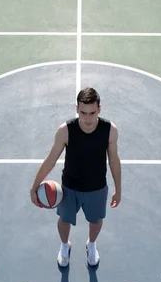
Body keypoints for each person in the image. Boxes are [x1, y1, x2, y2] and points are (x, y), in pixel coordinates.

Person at [30, 87, 121, 267]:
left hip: (97, 187)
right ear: (76, 109)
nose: (88, 119)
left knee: (96, 221)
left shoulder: (109, 130)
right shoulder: (65, 131)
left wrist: (118, 190)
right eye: (83, 112)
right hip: (69, 187)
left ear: (99, 109)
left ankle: (91, 244)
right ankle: (65, 246)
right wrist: (34, 187)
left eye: (92, 113)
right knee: (64, 221)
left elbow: (114, 161)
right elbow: (50, 160)